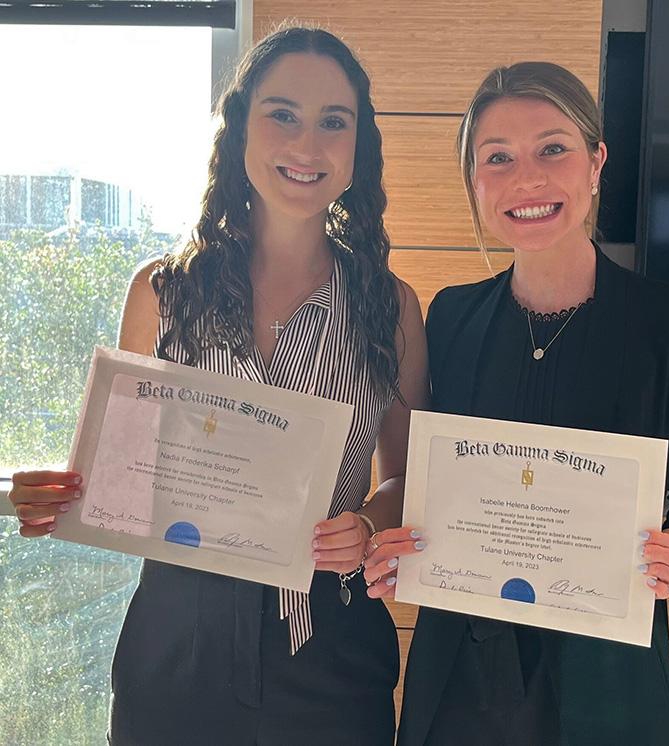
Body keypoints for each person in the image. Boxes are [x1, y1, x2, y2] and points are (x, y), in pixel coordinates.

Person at [9, 26, 427, 745]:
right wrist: (56, 493)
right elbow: (123, 476)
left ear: (359, 148)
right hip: (177, 643)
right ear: (238, 133)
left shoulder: (391, 307)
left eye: (336, 121)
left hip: (330, 640)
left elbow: (408, 478)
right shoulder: (162, 293)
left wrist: (365, 527)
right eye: (283, 114)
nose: (308, 142)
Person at [391, 62, 669, 746]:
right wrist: (401, 545)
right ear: (475, 183)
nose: (527, 179)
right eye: (499, 158)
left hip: (608, 681)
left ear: (595, 162)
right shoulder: (451, 319)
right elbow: (437, 491)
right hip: (462, 676)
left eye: (552, 149)